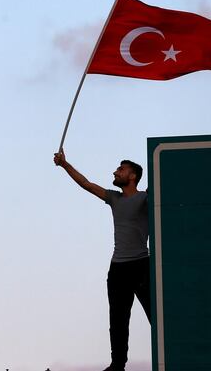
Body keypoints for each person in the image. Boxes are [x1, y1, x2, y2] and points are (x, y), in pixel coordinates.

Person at [53, 150, 151, 371]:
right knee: (117, 320)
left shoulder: (145, 198)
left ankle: (171, 351)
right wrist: (65, 165)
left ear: (133, 176)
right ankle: (118, 365)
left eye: (121, 169)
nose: (116, 172)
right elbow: (86, 184)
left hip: (142, 265)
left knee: (156, 314)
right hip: (117, 269)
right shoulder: (113, 198)